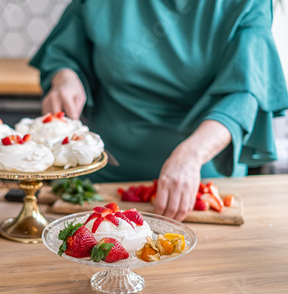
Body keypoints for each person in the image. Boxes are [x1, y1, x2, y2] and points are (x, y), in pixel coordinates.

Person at [30, 0, 288, 221]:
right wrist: (65, 76)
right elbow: (65, 51)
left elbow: (245, 94)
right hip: (100, 176)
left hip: (198, 184)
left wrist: (191, 156)